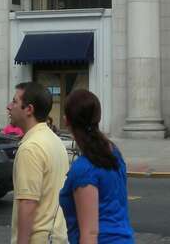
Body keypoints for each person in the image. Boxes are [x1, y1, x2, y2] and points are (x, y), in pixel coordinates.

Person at [59, 89, 134, 244]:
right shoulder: (113, 153)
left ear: (66, 120)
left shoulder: (83, 169)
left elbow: (90, 234)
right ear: (97, 118)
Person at [7, 82, 70, 244]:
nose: (9, 106)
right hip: (57, 236)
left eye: (14, 102)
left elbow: (28, 202)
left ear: (29, 109)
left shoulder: (30, 148)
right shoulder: (54, 141)